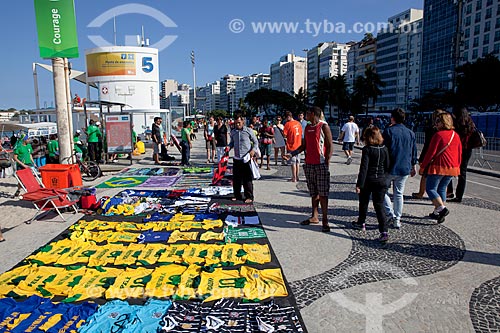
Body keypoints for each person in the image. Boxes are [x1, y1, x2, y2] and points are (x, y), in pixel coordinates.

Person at [284, 106, 333, 233]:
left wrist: (327, 161)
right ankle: (314, 216)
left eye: (306, 113)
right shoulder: (307, 128)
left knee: (323, 193)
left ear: (312, 114)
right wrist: (292, 153)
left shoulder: (323, 126)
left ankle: (325, 220)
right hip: (309, 164)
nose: (305, 115)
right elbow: (303, 146)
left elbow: (329, 145)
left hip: (320, 164)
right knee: (313, 192)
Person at [419, 112, 462, 224]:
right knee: (442, 189)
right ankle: (437, 212)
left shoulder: (438, 135)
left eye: (437, 121)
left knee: (431, 188)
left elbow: (431, 153)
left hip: (439, 165)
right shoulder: (455, 135)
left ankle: (442, 209)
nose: (435, 123)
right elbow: (459, 152)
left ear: (443, 123)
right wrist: (458, 166)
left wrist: (423, 166)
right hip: (452, 166)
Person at [353, 126, 391, 242]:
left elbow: (364, 168)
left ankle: (361, 222)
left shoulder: (367, 149)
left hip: (369, 180)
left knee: (364, 202)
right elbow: (388, 165)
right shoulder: (384, 148)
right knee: (379, 205)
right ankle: (384, 231)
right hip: (381, 180)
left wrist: (359, 184)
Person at [382, 108, 418, 229]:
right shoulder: (410, 133)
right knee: (399, 193)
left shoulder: (388, 131)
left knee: (382, 191)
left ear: (392, 118)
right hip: (404, 167)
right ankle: (397, 218)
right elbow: (413, 151)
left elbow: (384, 150)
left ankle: (390, 213)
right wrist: (414, 165)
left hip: (390, 166)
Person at [412, 109, 448, 199]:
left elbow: (427, 144)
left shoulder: (431, 129)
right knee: (442, 180)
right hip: (443, 156)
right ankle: (441, 198)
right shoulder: (448, 131)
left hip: (431, 154)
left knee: (425, 176)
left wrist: (422, 158)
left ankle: (421, 193)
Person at [228, 114, 259, 203]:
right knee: (236, 179)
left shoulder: (248, 131)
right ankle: (237, 195)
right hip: (237, 158)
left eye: (239, 123)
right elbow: (232, 143)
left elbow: (256, 142)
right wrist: (228, 147)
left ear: (243, 121)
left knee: (247, 179)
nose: (237, 125)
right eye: (236, 123)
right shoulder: (233, 132)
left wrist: (253, 150)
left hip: (246, 158)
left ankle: (249, 196)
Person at [447, 107, 476, 203]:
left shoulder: (457, 124)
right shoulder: (470, 123)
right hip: (468, 149)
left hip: (457, 149)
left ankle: (449, 191)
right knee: (463, 173)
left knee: (449, 169)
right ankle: (459, 196)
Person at [283, 111, 303, 182]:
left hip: (292, 146)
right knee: (297, 162)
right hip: (299, 145)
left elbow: (284, 135)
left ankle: (294, 177)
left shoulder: (287, 124)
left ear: (288, 117)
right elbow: (301, 133)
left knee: (293, 163)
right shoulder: (298, 123)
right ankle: (297, 177)